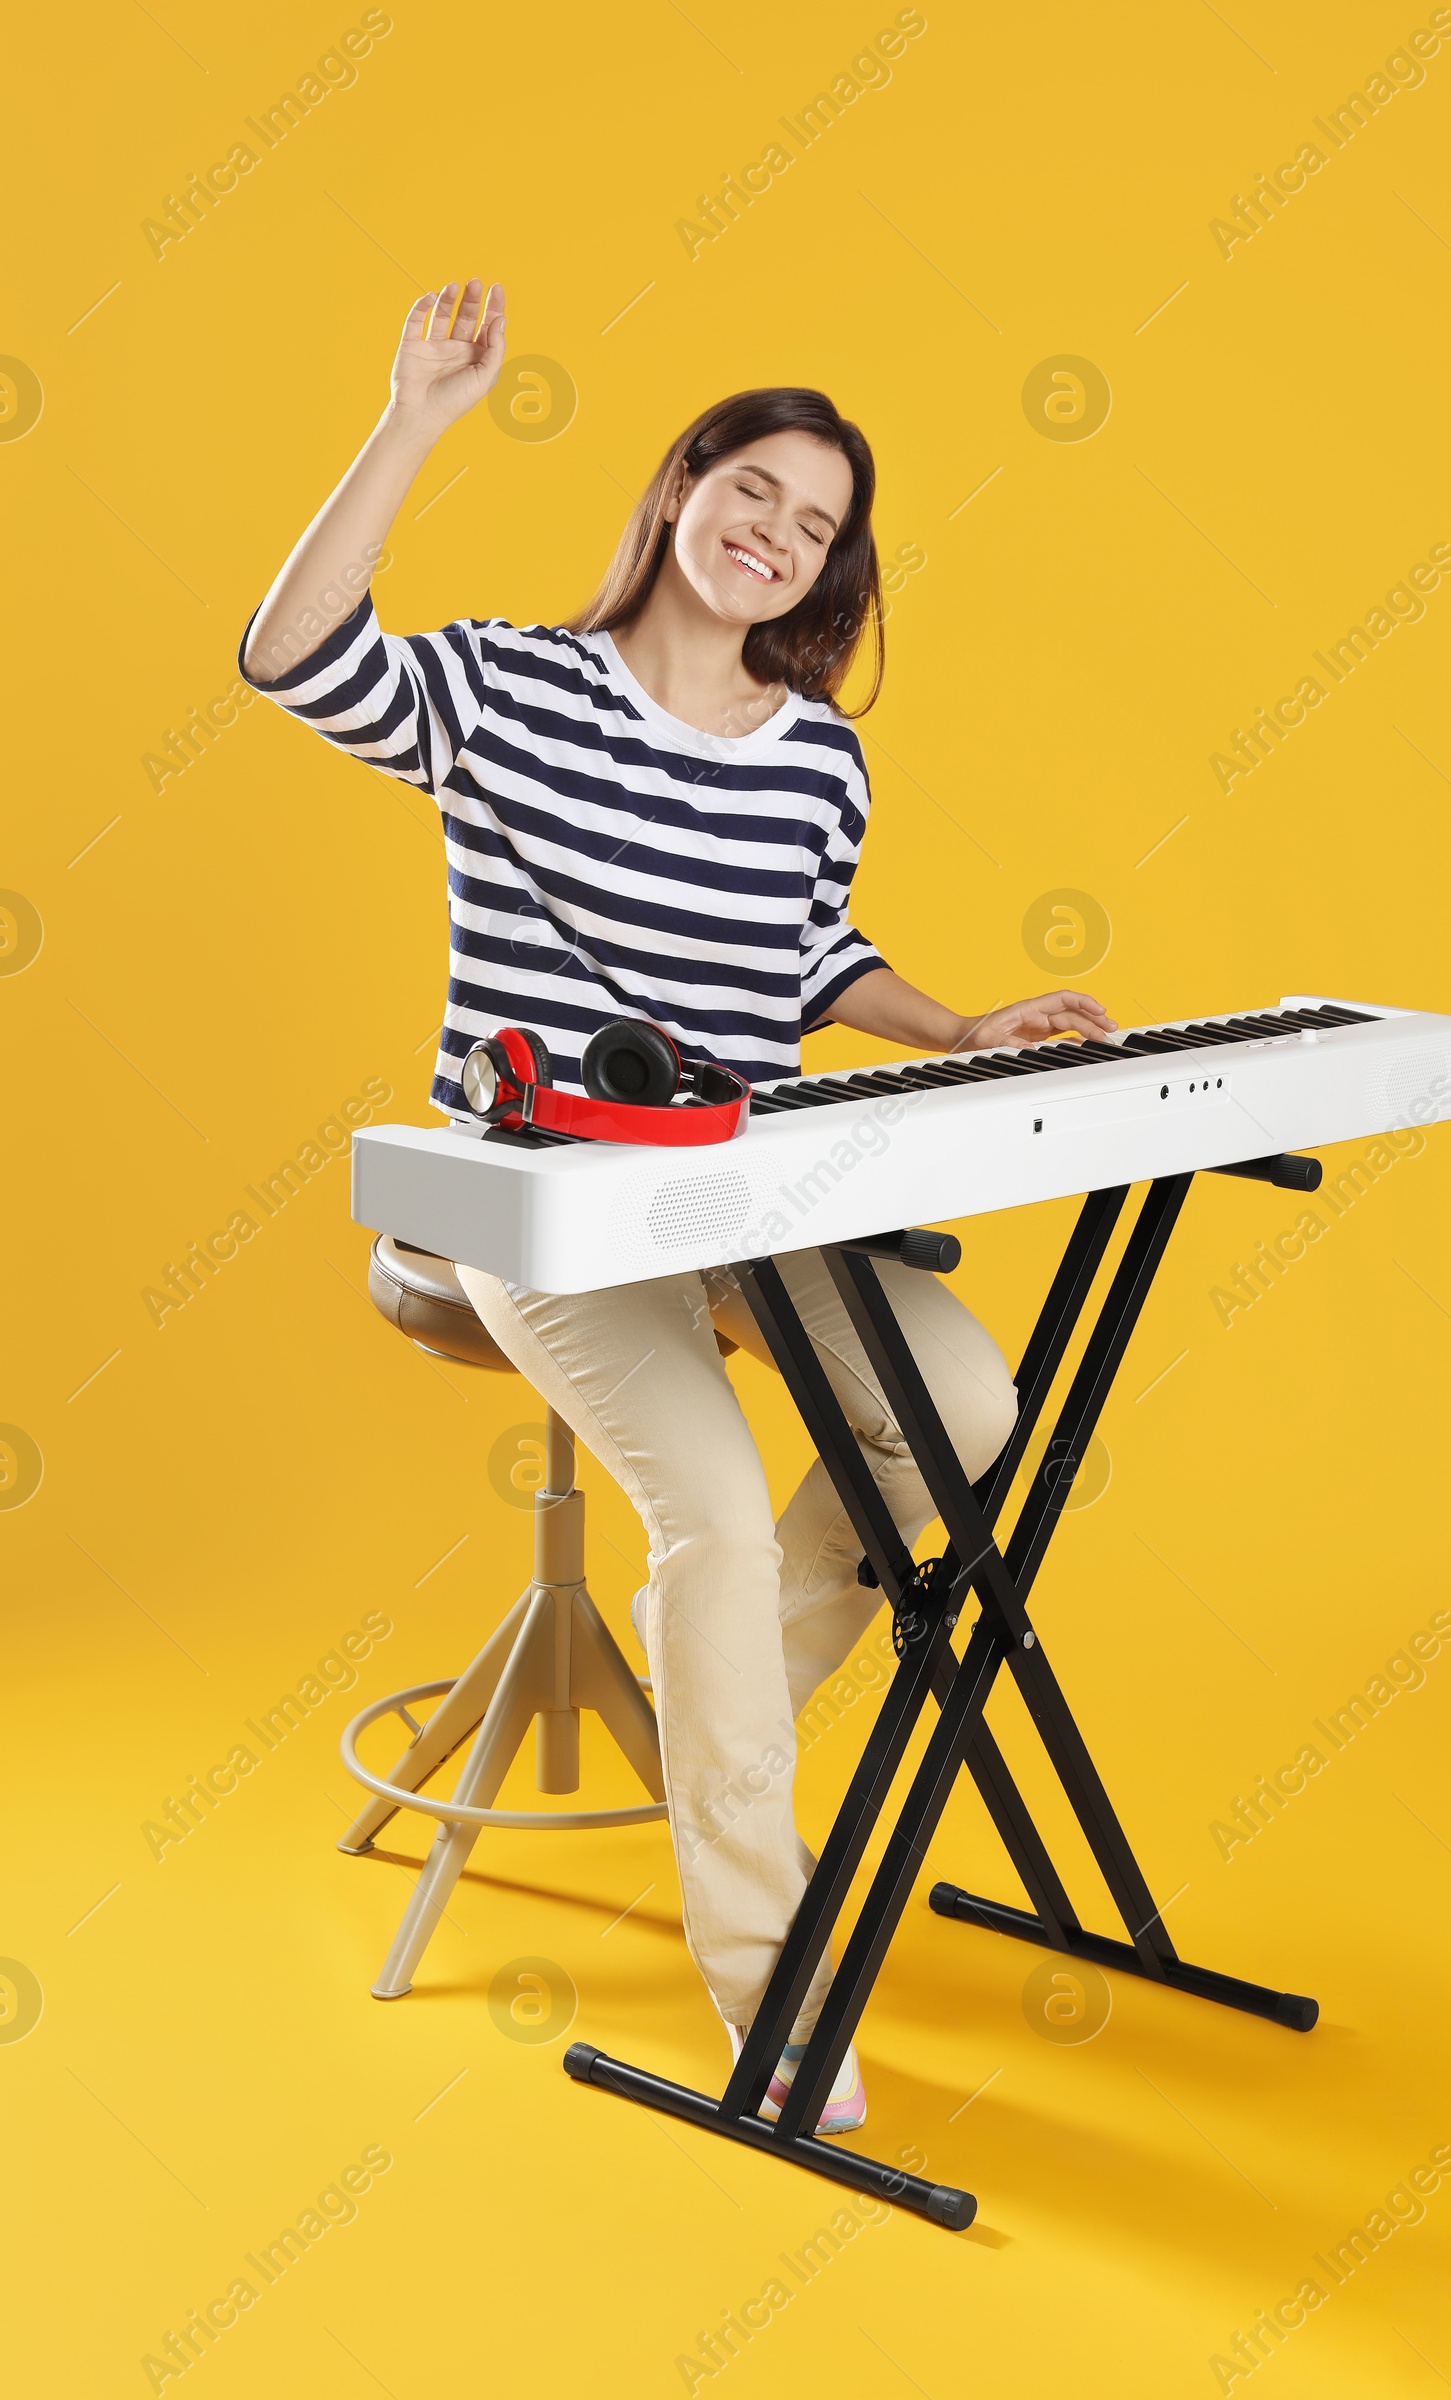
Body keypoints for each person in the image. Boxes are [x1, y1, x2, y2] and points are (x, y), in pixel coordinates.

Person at [240, 278, 1116, 2132]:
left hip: (736, 1180)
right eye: (756, 493)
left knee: (962, 1409)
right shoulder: (517, 690)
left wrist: (954, 1022)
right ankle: (769, 1986)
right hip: (539, 1194)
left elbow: (802, 954)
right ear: (678, 486)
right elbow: (294, 656)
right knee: (714, 1509)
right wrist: (414, 418)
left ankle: (729, 1745)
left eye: (815, 531)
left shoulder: (819, 758)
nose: (776, 540)